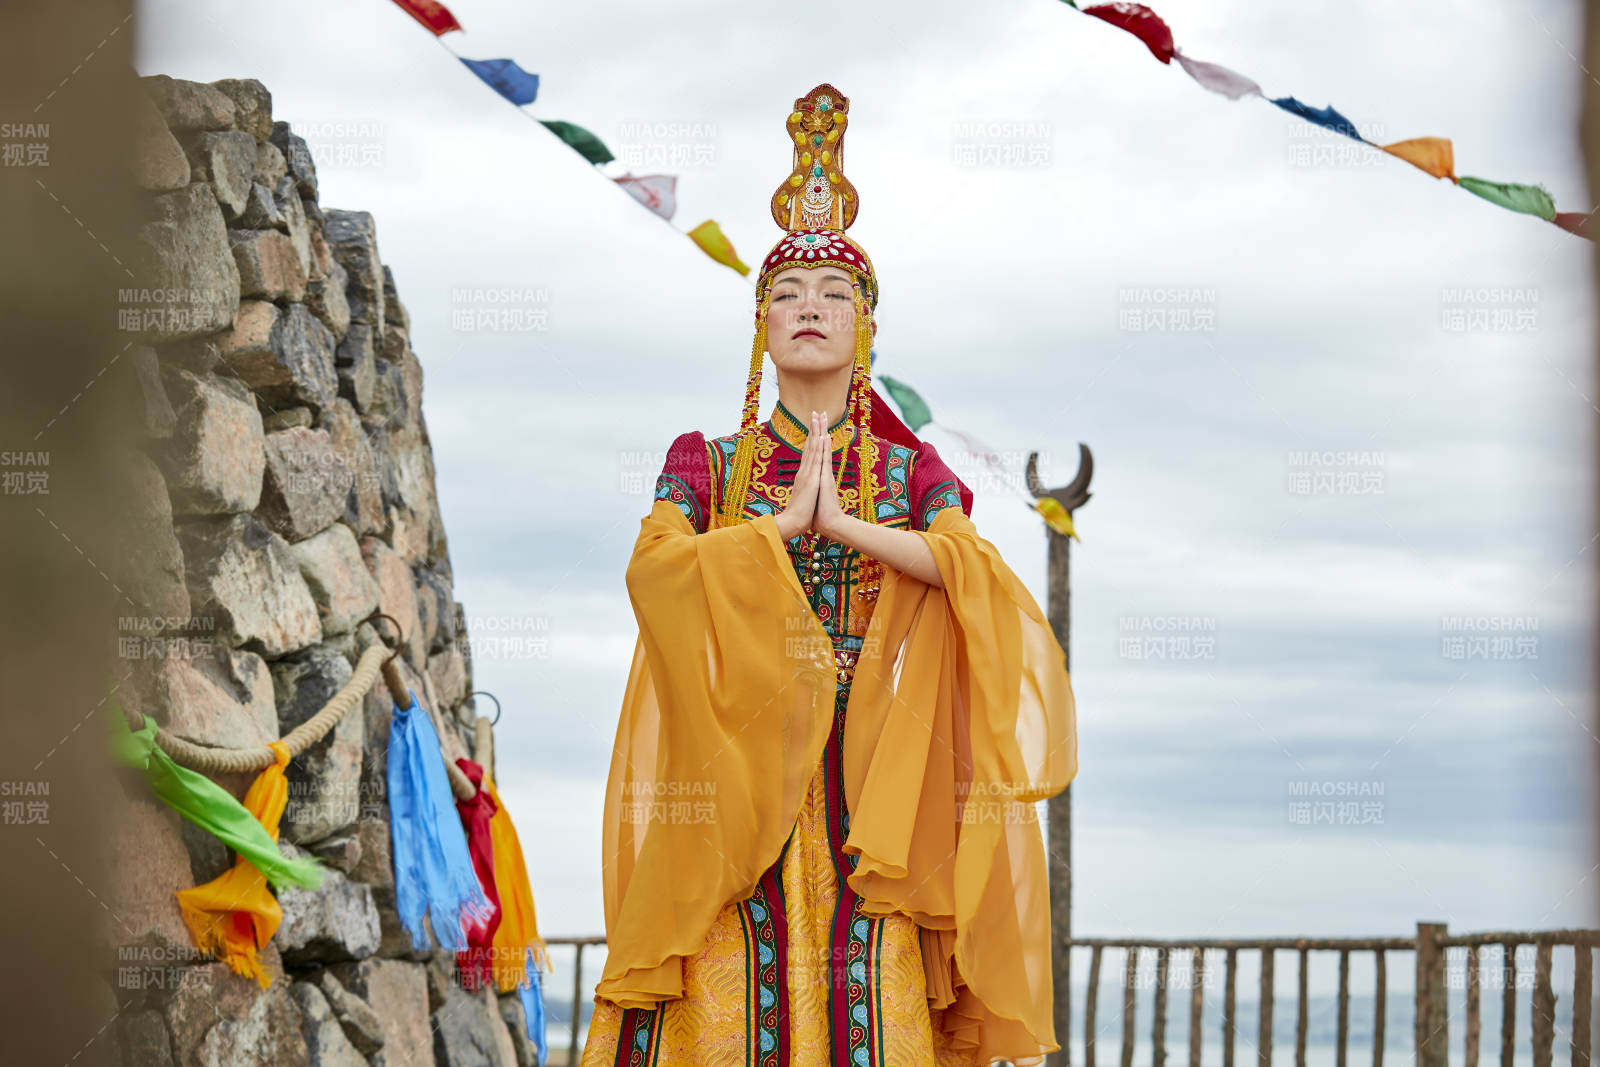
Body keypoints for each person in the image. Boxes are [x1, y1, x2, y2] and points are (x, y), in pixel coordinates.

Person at [580, 83, 1078, 1067]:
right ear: (760, 325)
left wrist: (841, 521)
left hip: (871, 784)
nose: (810, 308)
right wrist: (772, 535)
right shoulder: (707, 461)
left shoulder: (908, 471)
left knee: (869, 984)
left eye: (835, 294)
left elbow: (964, 563)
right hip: (732, 767)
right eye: (787, 295)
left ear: (868, 330)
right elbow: (655, 569)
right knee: (721, 983)